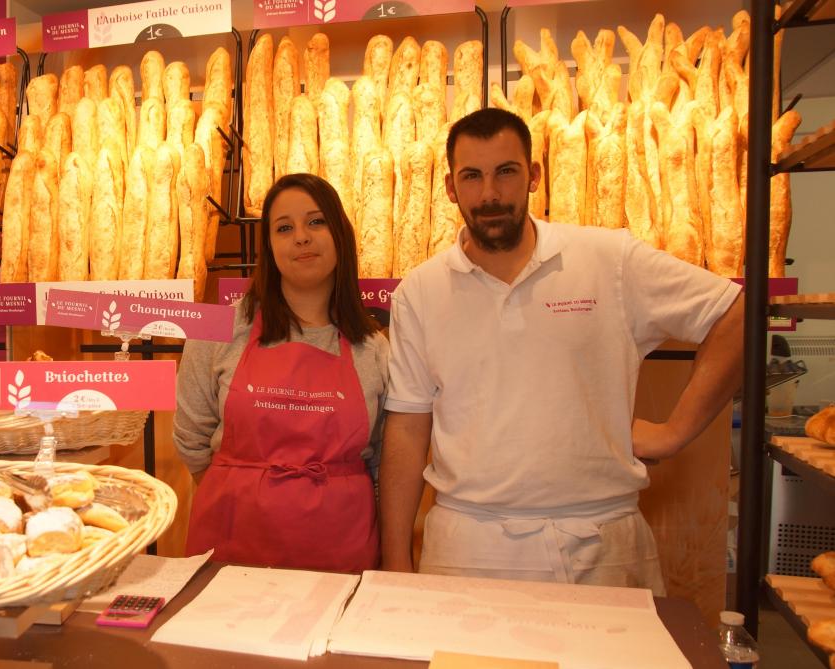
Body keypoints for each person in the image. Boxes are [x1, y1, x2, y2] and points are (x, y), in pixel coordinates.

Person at [378, 108, 744, 592]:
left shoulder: (609, 260)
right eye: (472, 176)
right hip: (468, 548)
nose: (489, 193)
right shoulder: (419, 292)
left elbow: (735, 316)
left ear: (533, 176)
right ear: (450, 187)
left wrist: (675, 432)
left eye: (506, 172)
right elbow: (407, 428)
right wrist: (395, 560)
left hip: (601, 544)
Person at [175, 173, 388, 572]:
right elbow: (191, 439)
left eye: (316, 221)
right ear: (269, 247)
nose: (302, 237)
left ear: (341, 235)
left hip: (338, 552)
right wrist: (243, 489)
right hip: (233, 546)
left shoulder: (373, 349)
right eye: (284, 227)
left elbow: (379, 460)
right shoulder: (218, 331)